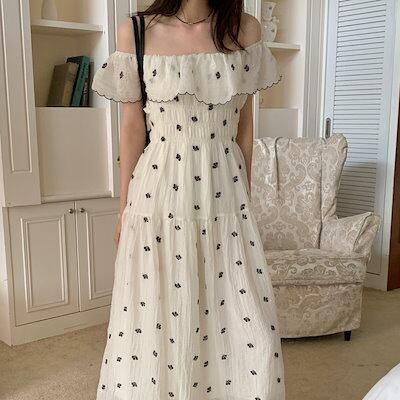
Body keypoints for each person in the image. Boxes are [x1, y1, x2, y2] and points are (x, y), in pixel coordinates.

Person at [91, 1, 284, 399]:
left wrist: (245, 201)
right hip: (158, 194)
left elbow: (245, 130)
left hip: (225, 192)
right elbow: (132, 129)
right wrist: (124, 210)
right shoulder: (136, 32)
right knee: (159, 318)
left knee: (246, 322)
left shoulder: (246, 30)